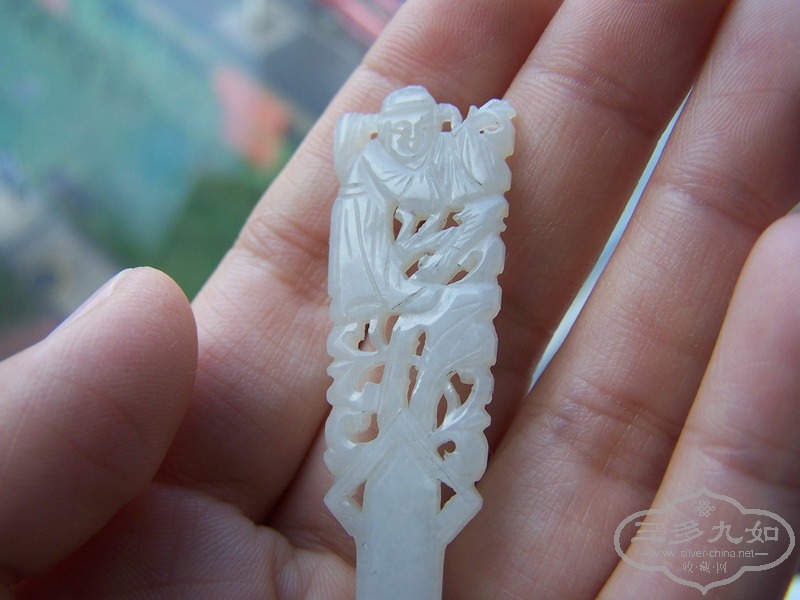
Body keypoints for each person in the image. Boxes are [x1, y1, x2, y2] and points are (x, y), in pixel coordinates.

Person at [1, 0, 799, 598]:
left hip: (430, 375)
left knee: (428, 423)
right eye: (405, 131)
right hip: (390, 369)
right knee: (397, 434)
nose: (413, 138)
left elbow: (468, 200)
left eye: (422, 130)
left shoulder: (441, 186)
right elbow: (377, 233)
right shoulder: (374, 187)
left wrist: (479, 157)